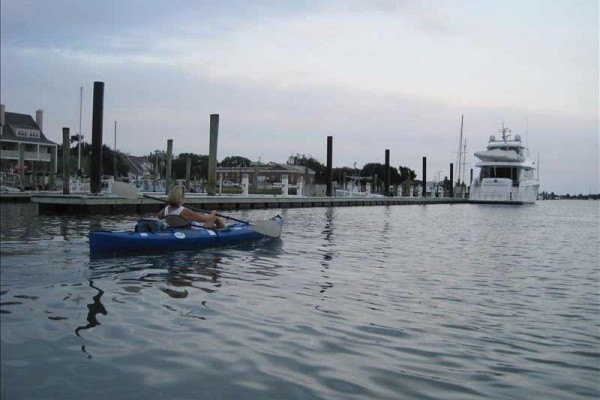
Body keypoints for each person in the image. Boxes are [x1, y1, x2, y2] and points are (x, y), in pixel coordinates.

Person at [158, 185, 225, 229]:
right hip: (197, 230)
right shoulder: (184, 211)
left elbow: (159, 217)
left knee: (210, 222)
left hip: (179, 229)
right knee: (215, 217)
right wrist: (213, 213)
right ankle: (225, 232)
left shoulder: (165, 210)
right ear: (181, 198)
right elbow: (204, 219)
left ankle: (218, 229)